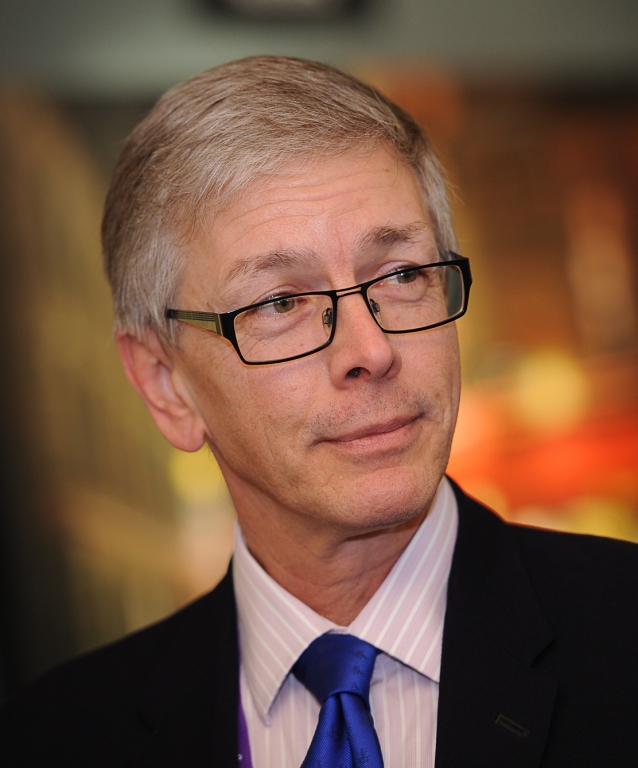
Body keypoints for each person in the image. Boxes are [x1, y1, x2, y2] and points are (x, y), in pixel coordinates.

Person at [1, 56, 637, 768]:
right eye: (281, 303)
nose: (371, 350)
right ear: (165, 384)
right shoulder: (53, 740)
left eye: (400, 275)